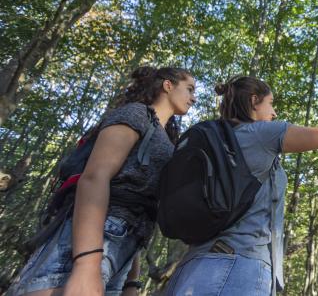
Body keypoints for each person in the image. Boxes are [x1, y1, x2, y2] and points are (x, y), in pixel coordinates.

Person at [164, 75, 318, 296]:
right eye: (271, 103)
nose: (274, 112)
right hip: (237, 267)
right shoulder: (261, 135)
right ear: (254, 101)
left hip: (192, 267)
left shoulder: (220, 140)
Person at [9, 66, 196, 296]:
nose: (194, 97)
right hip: (87, 242)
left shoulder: (166, 138)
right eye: (189, 89)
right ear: (168, 85)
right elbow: (95, 177)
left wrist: (131, 282)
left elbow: (137, 208)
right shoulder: (136, 114)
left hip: (123, 251)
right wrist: (86, 264)